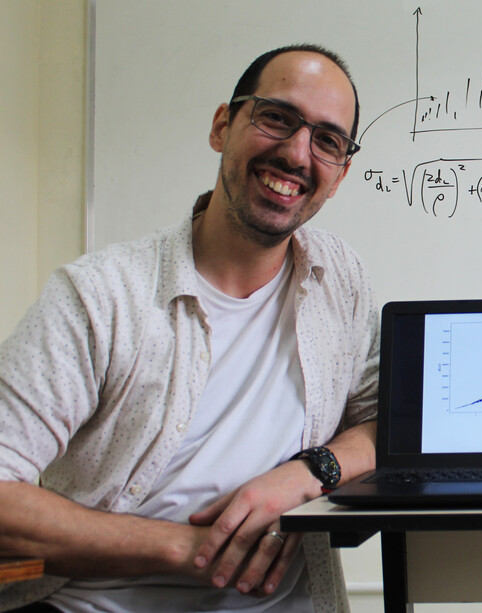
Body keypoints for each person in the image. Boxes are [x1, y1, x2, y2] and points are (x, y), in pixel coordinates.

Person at [0, 44, 378, 612]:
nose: (298, 153)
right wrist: (188, 549)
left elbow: (388, 425)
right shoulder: (100, 295)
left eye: (327, 140)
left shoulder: (339, 279)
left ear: (340, 173)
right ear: (223, 126)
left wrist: (309, 472)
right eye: (277, 117)